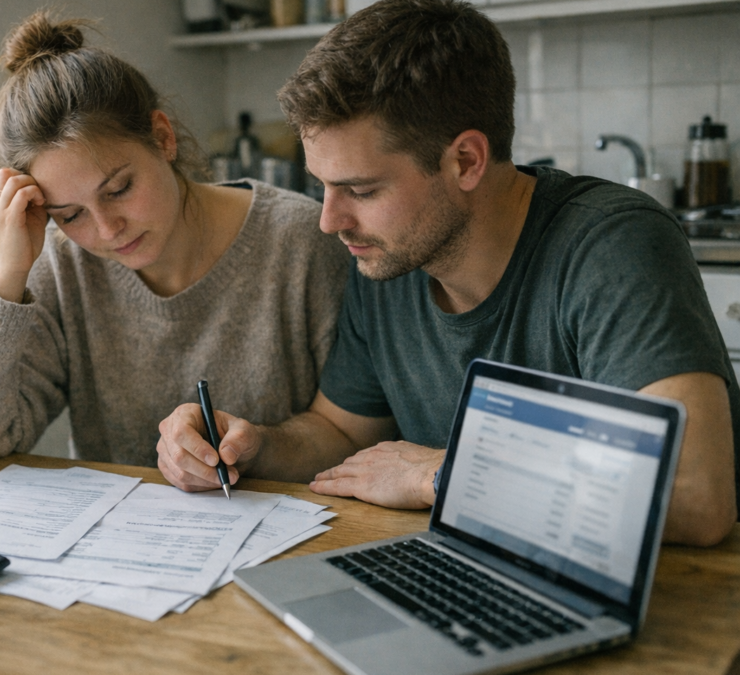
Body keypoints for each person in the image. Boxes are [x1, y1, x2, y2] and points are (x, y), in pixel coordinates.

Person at [156, 0, 739, 546]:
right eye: (323, 188)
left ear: (465, 161)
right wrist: (253, 447)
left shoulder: (613, 244)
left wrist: (443, 473)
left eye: (360, 189)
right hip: (477, 563)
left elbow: (695, 494)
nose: (329, 221)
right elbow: (338, 433)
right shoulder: (387, 258)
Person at [0, 13, 349, 471]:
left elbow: (360, 432)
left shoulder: (303, 241)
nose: (108, 230)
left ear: (162, 137)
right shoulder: (64, 265)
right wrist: (5, 277)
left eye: (118, 189)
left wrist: (263, 447)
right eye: (70, 215)